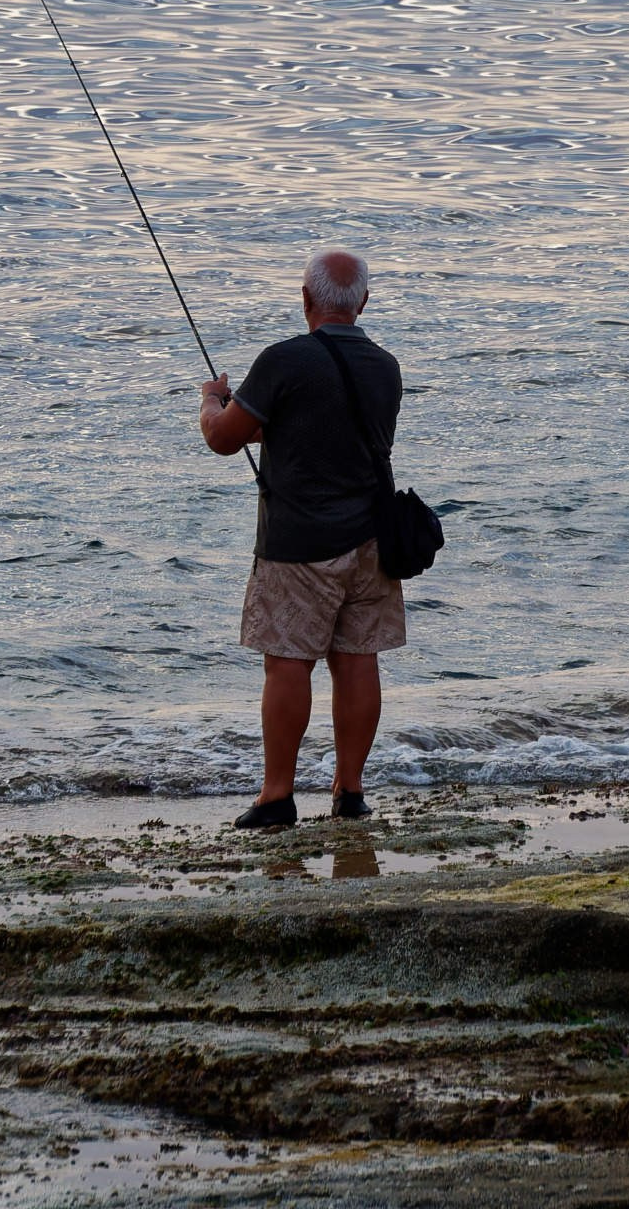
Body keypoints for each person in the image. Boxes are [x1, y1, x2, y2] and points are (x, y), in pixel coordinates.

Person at [198, 249, 405, 830]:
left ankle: (277, 796)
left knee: (288, 666)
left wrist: (212, 399)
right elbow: (330, 430)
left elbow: (223, 438)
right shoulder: (386, 366)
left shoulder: (283, 361)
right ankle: (350, 792)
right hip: (372, 543)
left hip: (298, 546)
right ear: (362, 302)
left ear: (306, 298)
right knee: (358, 664)